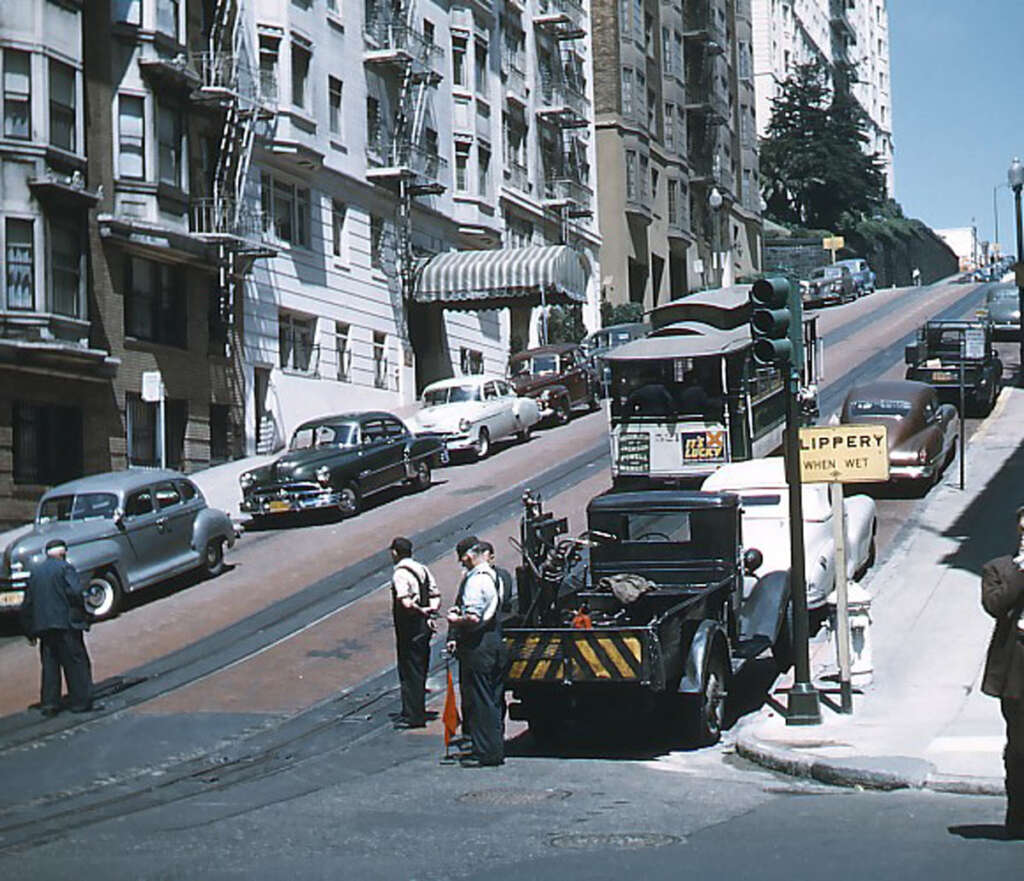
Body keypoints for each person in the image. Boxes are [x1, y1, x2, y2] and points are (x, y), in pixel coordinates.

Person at [980, 505, 1024, 839]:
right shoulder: (1000, 569)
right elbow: (995, 606)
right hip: (1016, 669)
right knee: (1020, 746)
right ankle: (1018, 814)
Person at [19, 539, 95, 715]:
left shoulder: (35, 573)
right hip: (65, 624)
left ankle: (50, 703)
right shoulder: (65, 568)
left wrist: (29, 630)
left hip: (44, 627)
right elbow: (75, 592)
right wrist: (84, 614)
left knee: (50, 665)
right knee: (76, 663)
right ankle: (80, 701)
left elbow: (27, 604)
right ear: (63, 553)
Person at [446, 543, 504, 767]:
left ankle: (485, 752)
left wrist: (454, 620)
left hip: (479, 645)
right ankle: (494, 748)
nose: (461, 562)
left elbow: (472, 618)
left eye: (463, 558)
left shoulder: (476, 580)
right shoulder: (495, 576)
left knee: (480, 700)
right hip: (495, 641)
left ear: (470, 557)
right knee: (493, 698)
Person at [389, 536, 441, 729]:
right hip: (424, 627)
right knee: (421, 667)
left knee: (409, 669)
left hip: (409, 627)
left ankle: (413, 715)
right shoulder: (423, 569)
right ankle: (415, 709)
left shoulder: (400, 574)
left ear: (395, 552)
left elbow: (405, 602)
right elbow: (436, 595)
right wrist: (431, 611)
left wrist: (420, 610)